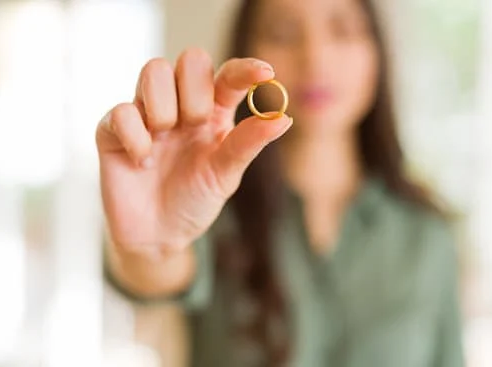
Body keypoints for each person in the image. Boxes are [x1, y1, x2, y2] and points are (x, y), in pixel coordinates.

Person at [96, 0, 465, 366]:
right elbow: (154, 272)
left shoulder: (428, 236)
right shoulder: (210, 210)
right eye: (283, 34)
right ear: (248, 49)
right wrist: (154, 248)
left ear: (378, 51)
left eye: (342, 30)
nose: (315, 58)